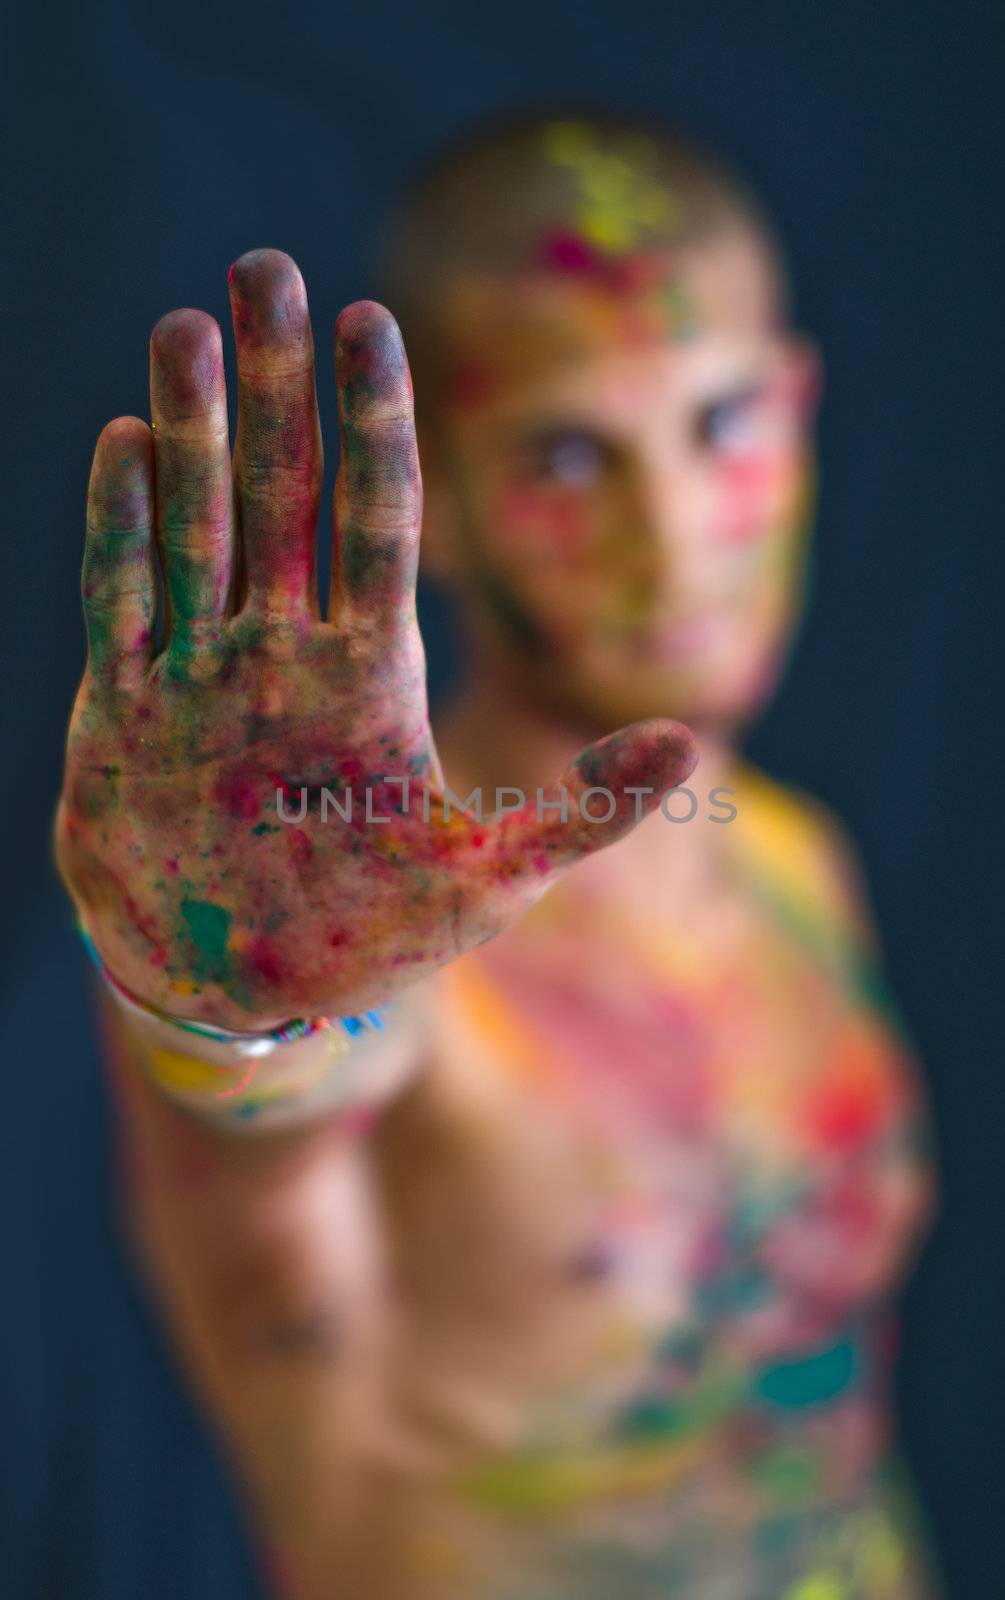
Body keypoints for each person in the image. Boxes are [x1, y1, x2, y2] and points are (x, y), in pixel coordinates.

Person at [54, 112, 940, 1598]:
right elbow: (265, 1123)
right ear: (441, 507)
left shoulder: (797, 862)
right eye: (568, 454)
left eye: (719, 422)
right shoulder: (358, 933)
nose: (670, 541)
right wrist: (222, 1010)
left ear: (796, 408)